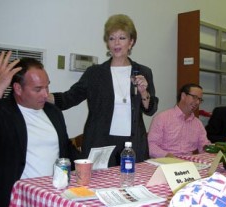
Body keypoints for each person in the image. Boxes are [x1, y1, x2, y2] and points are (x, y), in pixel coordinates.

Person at [0, 51, 80, 207]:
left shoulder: (53, 112)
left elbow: (65, 148)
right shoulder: (2, 112)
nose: (46, 94)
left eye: (47, 87)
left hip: (52, 196)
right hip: (17, 198)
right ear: (18, 89)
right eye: (38, 89)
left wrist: (87, 163)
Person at [48, 14, 158, 166]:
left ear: (131, 42)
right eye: (112, 38)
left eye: (122, 38)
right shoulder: (94, 73)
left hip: (133, 143)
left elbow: (150, 109)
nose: (116, 43)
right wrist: (44, 96)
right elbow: (70, 98)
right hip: (101, 141)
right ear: (107, 43)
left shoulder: (143, 72)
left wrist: (144, 92)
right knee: (98, 187)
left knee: (132, 184)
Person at [148, 83, 211, 158]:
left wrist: (212, 150)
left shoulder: (198, 123)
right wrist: (167, 155)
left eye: (200, 99)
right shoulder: (162, 118)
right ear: (183, 96)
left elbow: (204, 145)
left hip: (189, 163)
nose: (197, 102)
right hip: (165, 162)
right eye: (194, 97)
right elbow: (151, 146)